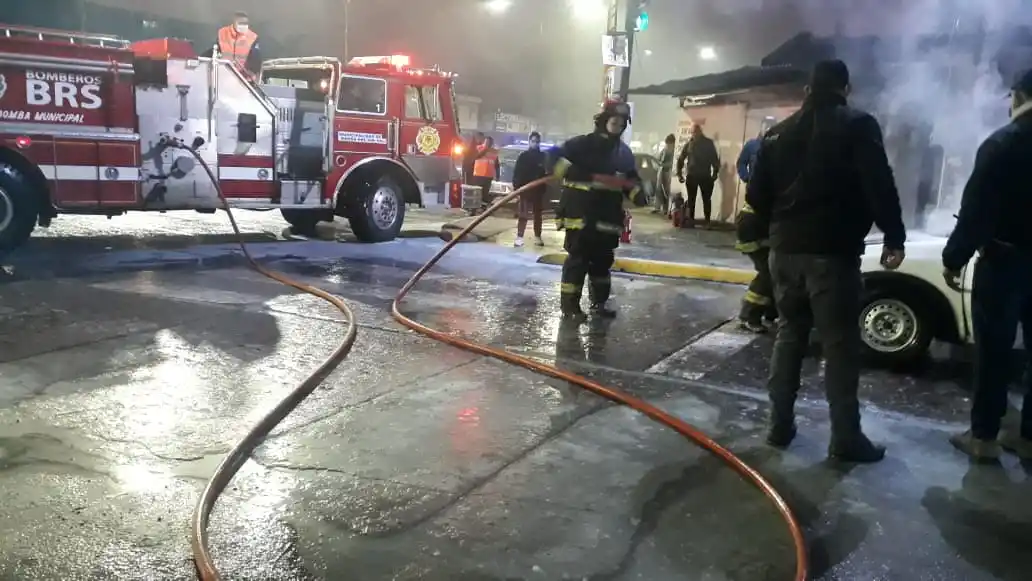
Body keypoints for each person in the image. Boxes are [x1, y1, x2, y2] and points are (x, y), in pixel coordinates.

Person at [746, 59, 906, 463]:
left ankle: (778, 427)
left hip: (784, 252)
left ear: (807, 91)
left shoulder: (777, 134)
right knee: (839, 346)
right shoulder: (858, 125)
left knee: (788, 335)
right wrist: (894, 235)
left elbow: (755, 196)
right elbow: (879, 183)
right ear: (846, 89)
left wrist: (782, 227)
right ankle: (845, 438)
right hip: (832, 255)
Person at [941, 68, 1032, 462]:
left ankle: (984, 437)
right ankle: (1029, 437)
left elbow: (977, 210)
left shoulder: (1002, 144)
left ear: (1018, 95)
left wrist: (954, 257)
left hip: (1005, 262)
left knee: (994, 351)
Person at [552, 101, 648, 322]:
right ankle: (570, 308)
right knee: (578, 260)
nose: (618, 126)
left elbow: (629, 181)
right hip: (581, 214)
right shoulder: (582, 144)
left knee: (602, 262)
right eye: (614, 121)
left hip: (607, 216)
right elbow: (553, 159)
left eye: (622, 123)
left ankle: (599, 304)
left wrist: (638, 194)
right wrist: (577, 173)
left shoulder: (623, 153)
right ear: (603, 121)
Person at [676, 123, 720, 227]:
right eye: (692, 132)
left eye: (695, 132)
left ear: (700, 131)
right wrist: (679, 174)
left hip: (705, 176)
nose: (693, 134)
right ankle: (691, 220)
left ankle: (707, 221)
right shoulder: (690, 144)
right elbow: (681, 159)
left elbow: (714, 159)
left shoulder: (708, 143)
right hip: (692, 176)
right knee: (692, 200)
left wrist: (715, 173)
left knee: (706, 200)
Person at [513, 131, 549, 247]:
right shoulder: (523, 157)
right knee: (523, 214)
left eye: (537, 142)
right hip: (525, 190)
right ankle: (519, 237)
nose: (535, 144)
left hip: (538, 192)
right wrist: (517, 188)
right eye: (533, 141)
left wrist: (544, 188)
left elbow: (547, 174)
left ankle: (537, 237)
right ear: (529, 142)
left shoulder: (543, 157)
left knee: (537, 215)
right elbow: (517, 173)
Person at [211, 11, 261, 79]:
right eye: (241, 23)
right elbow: (214, 52)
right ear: (234, 23)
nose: (243, 26)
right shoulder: (222, 33)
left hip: (243, 78)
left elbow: (256, 60)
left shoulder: (252, 37)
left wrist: (249, 74)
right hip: (223, 75)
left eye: (245, 23)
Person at [736, 118, 775, 183]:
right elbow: (741, 163)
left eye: (770, 126)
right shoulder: (751, 145)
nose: (767, 129)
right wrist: (747, 178)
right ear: (761, 127)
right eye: (766, 126)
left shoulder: (778, 145)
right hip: (754, 189)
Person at [471, 136, 500, 204]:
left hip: (488, 176)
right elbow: (475, 157)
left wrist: (498, 176)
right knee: (476, 193)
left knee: (485, 193)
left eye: (489, 143)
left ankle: (483, 207)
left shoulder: (494, 152)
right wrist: (485, 150)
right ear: (484, 142)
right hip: (478, 175)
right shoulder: (478, 148)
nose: (488, 144)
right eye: (486, 142)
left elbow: (497, 165)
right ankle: (474, 208)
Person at [653, 134, 677, 215]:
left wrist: (664, 165)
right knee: (659, 189)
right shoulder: (664, 150)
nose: (668, 145)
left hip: (668, 171)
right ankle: (657, 207)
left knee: (667, 191)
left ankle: (666, 208)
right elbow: (659, 159)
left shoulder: (674, 151)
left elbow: (673, 163)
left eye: (669, 143)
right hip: (661, 171)